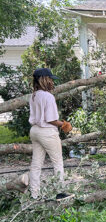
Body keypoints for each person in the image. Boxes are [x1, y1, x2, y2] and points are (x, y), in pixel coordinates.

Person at [25, 68, 74, 201]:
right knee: (57, 161)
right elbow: (50, 119)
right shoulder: (48, 96)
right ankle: (60, 192)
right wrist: (64, 124)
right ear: (44, 79)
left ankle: (34, 194)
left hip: (35, 131)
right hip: (47, 131)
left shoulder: (33, 96)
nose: (52, 81)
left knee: (36, 163)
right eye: (50, 79)